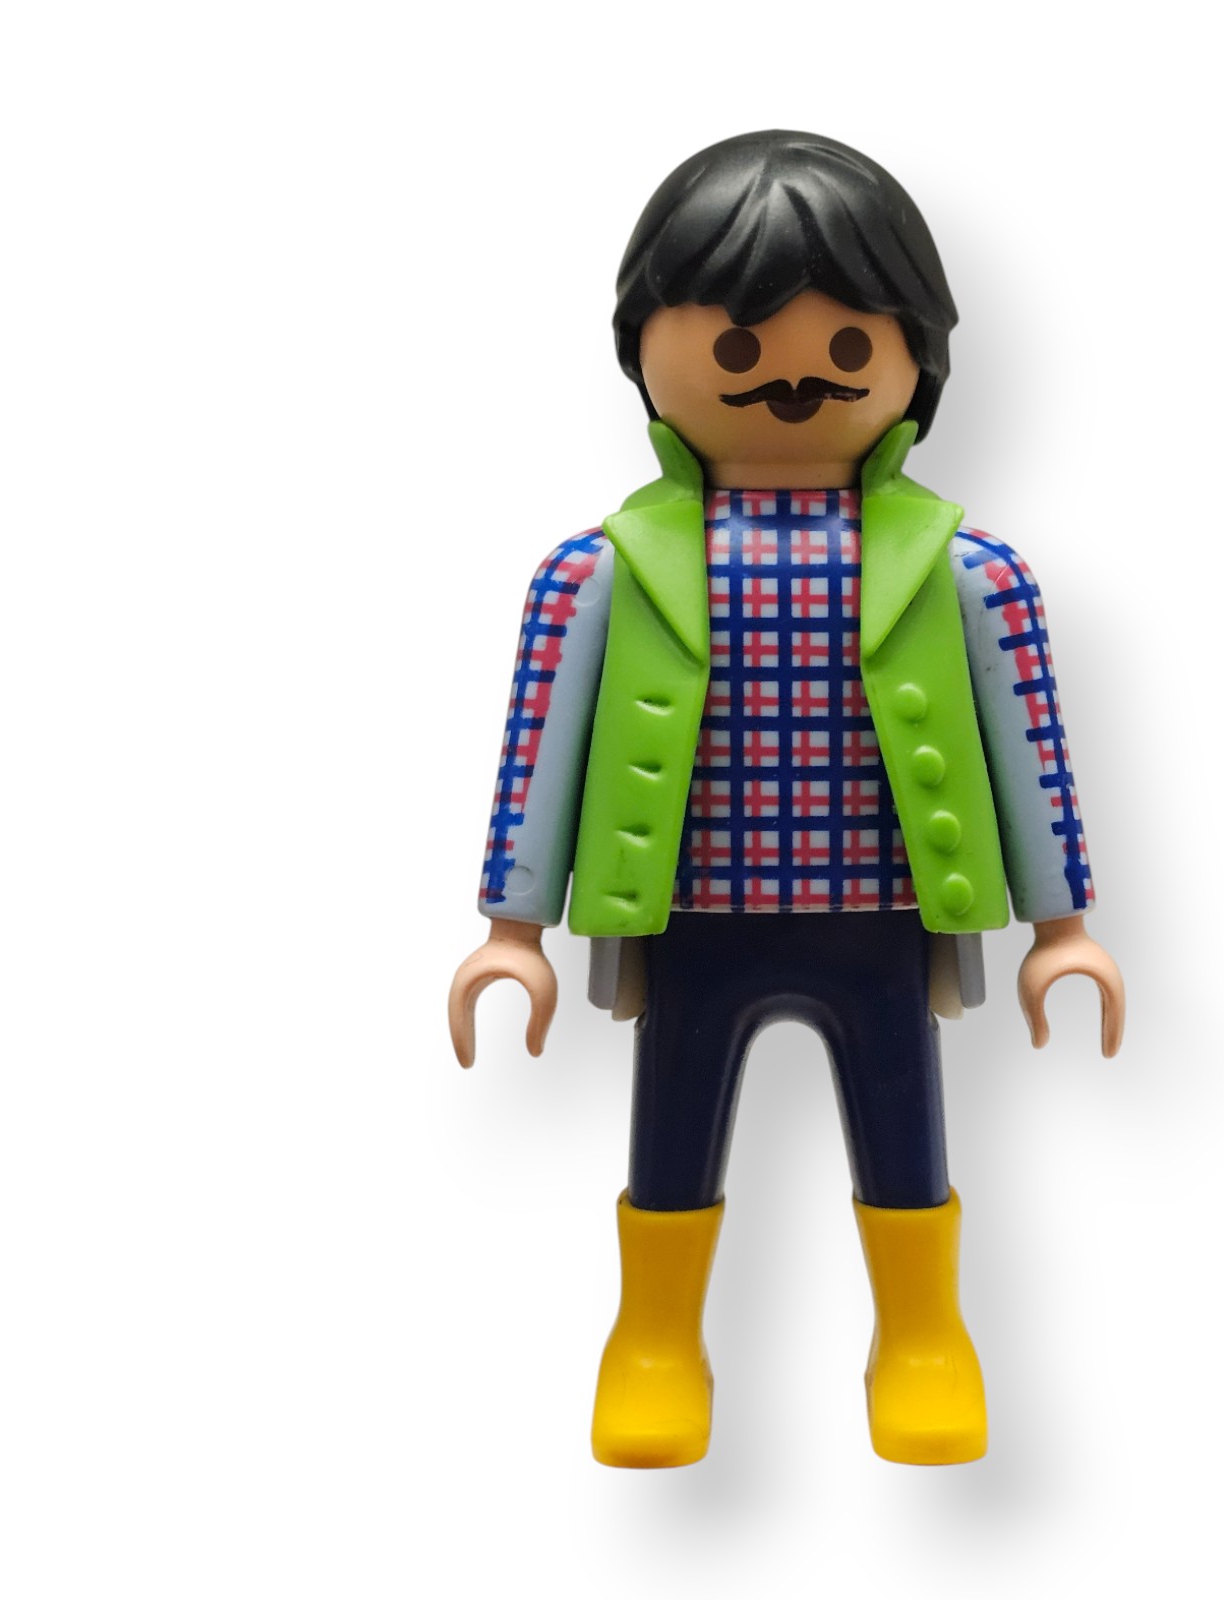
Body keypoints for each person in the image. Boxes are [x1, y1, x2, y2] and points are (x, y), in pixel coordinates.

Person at [448, 130, 1125, 1468]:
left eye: (848, 342)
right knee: (672, 1129)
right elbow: (539, 746)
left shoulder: (969, 569)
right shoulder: (599, 571)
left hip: (885, 915)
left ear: (917, 355)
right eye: (739, 345)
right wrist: (510, 930)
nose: (796, 374)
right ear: (646, 350)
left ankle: (923, 1333)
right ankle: (654, 1337)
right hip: (690, 915)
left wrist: (1064, 926)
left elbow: (1032, 745)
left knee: (903, 1126)